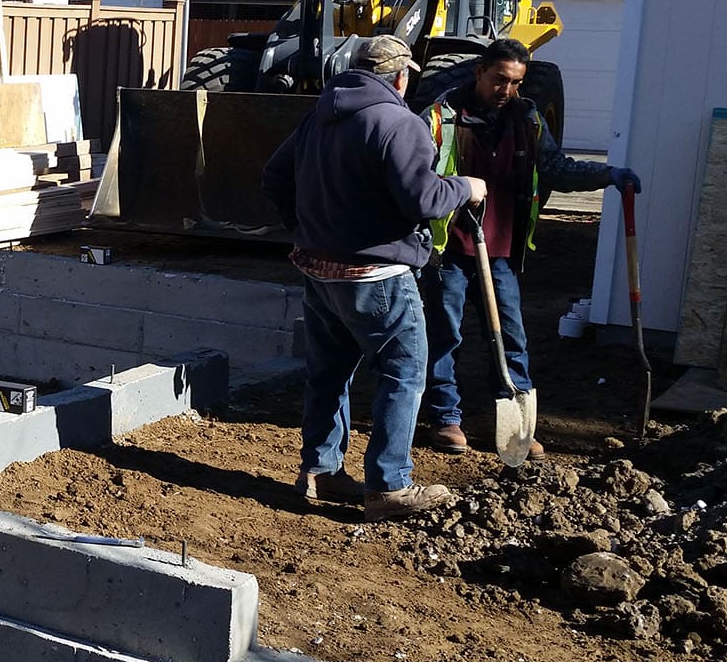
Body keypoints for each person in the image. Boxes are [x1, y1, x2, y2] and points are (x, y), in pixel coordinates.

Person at [263, 35, 487, 522]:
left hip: (319, 269)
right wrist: (465, 186)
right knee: (403, 373)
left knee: (328, 373)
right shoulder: (399, 123)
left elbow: (274, 176)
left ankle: (320, 471)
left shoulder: (319, 117)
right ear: (401, 77)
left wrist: (306, 228)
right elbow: (424, 199)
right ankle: (389, 486)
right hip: (377, 274)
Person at [418, 38, 641, 456]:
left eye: (516, 82)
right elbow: (416, 177)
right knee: (445, 335)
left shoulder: (528, 118)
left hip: (502, 250)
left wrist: (608, 175)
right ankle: (445, 416)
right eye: (499, 79)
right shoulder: (442, 117)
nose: (506, 90)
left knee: (511, 336)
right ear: (479, 72)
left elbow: (555, 168)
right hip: (450, 249)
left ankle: (516, 420)